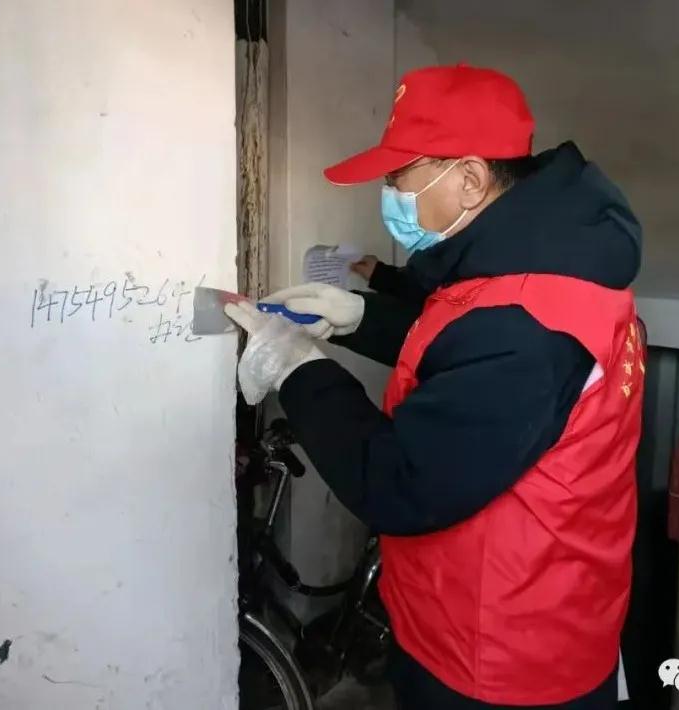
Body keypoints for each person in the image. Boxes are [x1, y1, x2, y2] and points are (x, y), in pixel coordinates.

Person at [225, 64, 644, 710]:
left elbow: (400, 480)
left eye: (399, 176)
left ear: (470, 179)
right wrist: (363, 319)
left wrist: (297, 369)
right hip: (515, 606)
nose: (388, 193)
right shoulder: (535, 261)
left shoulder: (529, 321)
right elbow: (465, 356)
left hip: (501, 658)